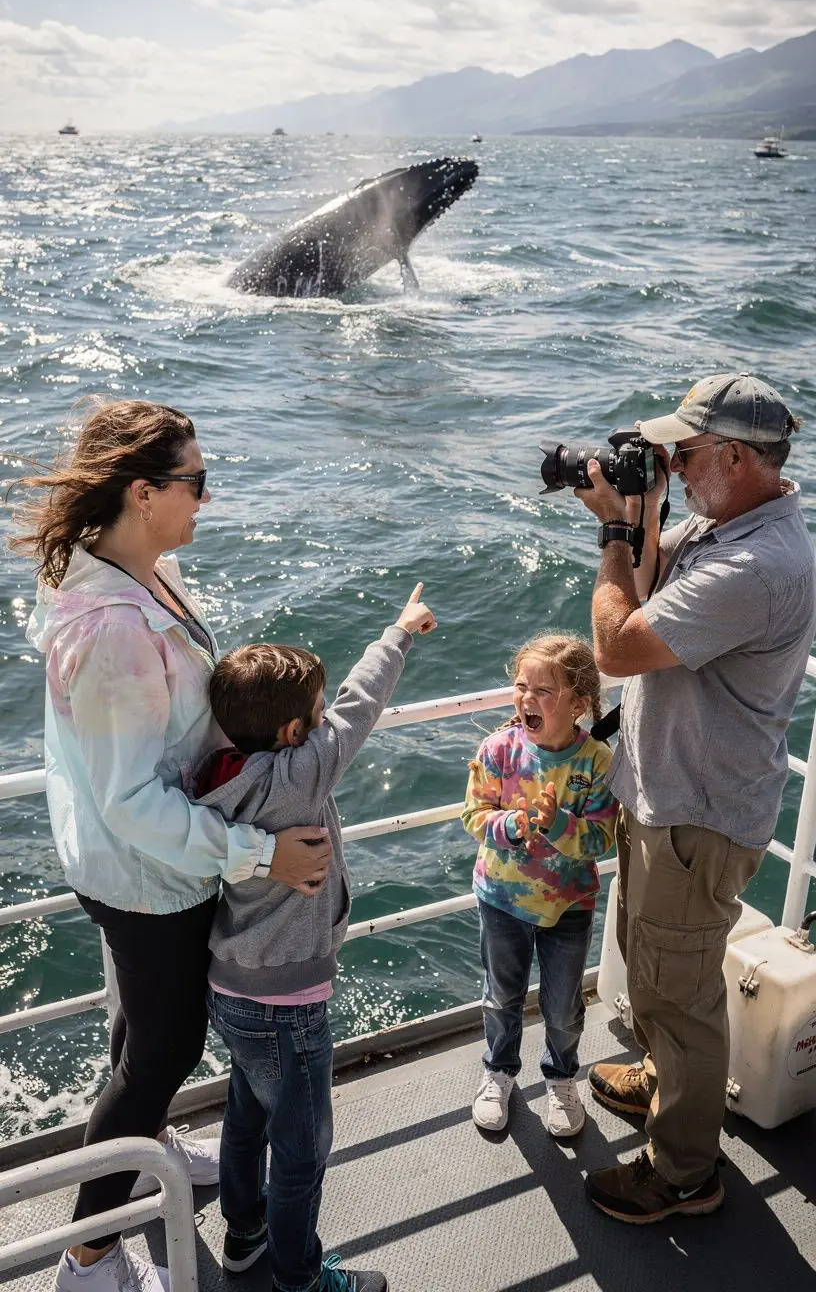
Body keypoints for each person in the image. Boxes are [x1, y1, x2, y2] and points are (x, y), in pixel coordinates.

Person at [13, 400, 333, 1292]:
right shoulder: (113, 626)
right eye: (196, 481)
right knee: (162, 1051)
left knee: (143, 1038)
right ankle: (90, 1260)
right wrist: (260, 855)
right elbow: (132, 804)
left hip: (137, 868)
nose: (207, 496)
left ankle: (144, 1147)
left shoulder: (133, 569)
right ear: (143, 492)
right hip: (151, 876)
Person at [573, 372, 816, 1224]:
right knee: (655, 965)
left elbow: (619, 643)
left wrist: (612, 533)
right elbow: (650, 584)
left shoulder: (757, 563)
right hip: (668, 797)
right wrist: (641, 520)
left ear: (738, 458)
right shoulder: (730, 523)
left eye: (687, 449)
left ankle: (683, 1172)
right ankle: (666, 1078)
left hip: (696, 815)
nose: (672, 461)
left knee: (680, 991)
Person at [198, 584, 437, 1292]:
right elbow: (361, 707)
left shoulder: (219, 776)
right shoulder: (300, 777)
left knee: (245, 1115)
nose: (325, 716)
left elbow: (340, 712)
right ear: (295, 735)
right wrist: (399, 633)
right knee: (301, 1152)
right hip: (289, 1003)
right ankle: (299, 1278)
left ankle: (244, 1237)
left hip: (230, 986)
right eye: (314, 712)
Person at [462, 633, 618, 1137]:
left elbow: (601, 839)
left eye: (543, 691)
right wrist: (510, 826)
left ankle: (561, 1076)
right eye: (521, 686)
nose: (527, 698)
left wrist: (556, 826)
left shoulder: (595, 761)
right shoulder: (498, 750)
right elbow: (474, 815)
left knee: (562, 1006)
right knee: (501, 997)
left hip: (568, 906)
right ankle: (499, 1070)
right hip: (501, 899)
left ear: (579, 703)